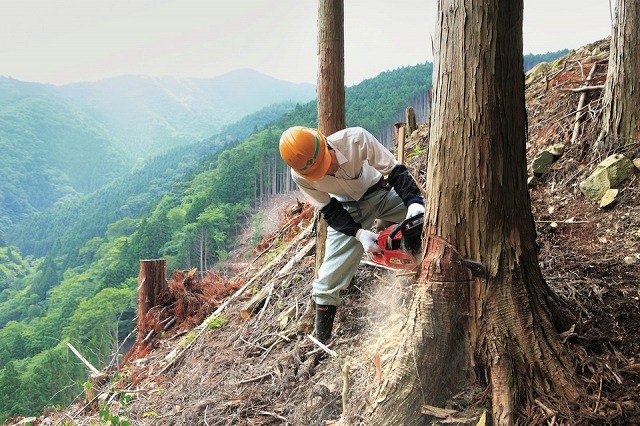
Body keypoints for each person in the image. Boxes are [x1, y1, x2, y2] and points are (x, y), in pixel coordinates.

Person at [279, 126, 425, 343]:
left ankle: (425, 259)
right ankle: (322, 343)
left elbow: (394, 170)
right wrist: (358, 234)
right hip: (348, 209)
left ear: (327, 144)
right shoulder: (301, 175)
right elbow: (329, 209)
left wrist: (414, 203)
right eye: (321, 172)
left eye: (327, 164)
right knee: (328, 280)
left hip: (383, 193)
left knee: (432, 216)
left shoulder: (356, 139)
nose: (329, 171)